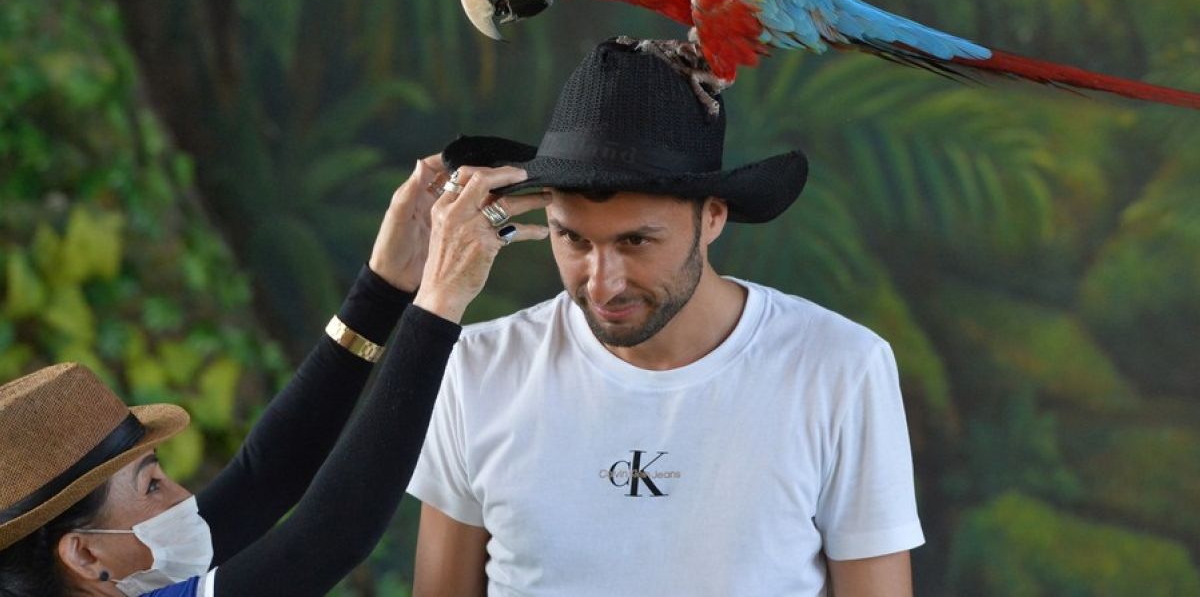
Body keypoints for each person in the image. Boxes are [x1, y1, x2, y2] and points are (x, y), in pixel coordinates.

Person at [406, 38, 925, 596]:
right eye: (572, 239)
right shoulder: (477, 368)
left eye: (636, 241)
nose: (602, 282)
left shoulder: (840, 368)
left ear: (713, 218)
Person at [0, 153, 550, 597]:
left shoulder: (131, 574)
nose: (183, 495)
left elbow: (266, 475)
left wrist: (384, 287)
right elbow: (331, 535)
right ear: (84, 554)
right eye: (150, 485)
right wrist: (439, 301)